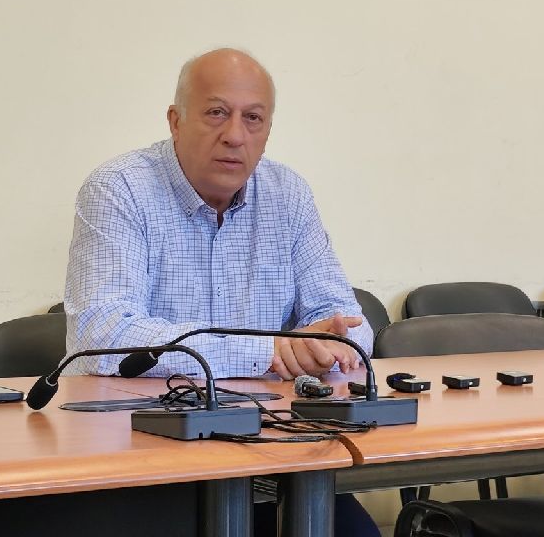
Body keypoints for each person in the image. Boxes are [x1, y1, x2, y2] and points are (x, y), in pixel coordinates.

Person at [63, 48, 379, 537]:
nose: (235, 135)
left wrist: (327, 344)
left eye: (253, 118)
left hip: (270, 450)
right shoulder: (119, 189)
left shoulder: (288, 194)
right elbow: (103, 335)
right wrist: (269, 351)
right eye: (216, 112)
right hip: (143, 458)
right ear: (175, 121)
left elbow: (347, 321)